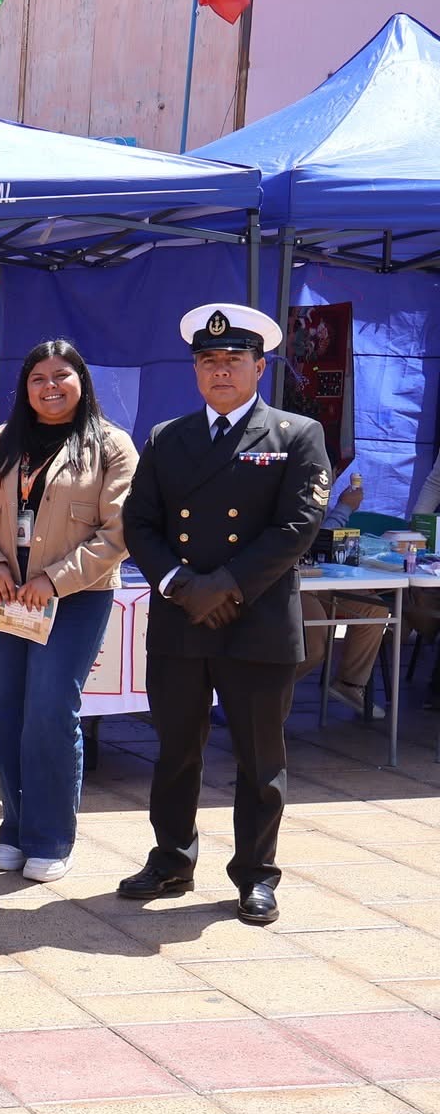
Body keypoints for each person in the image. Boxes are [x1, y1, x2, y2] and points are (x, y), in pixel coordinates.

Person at [119, 303, 330, 926]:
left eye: (234, 360)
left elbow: (297, 526)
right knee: (176, 750)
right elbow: (141, 522)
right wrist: (181, 583)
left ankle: (256, 874)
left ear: (259, 367)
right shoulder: (167, 438)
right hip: (183, 617)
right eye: (208, 360)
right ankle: (170, 858)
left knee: (261, 759)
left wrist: (227, 586)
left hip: (257, 619)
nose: (220, 371)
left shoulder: (296, 435)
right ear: (195, 370)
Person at [0, 340, 138, 883]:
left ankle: (51, 836)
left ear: (82, 381)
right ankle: (15, 828)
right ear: (24, 387)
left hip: (75, 599)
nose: (50, 387)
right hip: (7, 598)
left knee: (51, 711)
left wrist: (53, 581)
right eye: (38, 378)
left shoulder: (111, 446)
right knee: (5, 710)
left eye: (62, 376)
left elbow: (118, 532)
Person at [296, 468, 388, 717]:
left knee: (373, 609)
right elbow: (311, 537)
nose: (334, 476)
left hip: (317, 578)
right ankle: (259, 695)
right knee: (314, 643)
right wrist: (345, 508)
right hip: (287, 581)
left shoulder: (318, 492)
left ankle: (349, 684)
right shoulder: (293, 488)